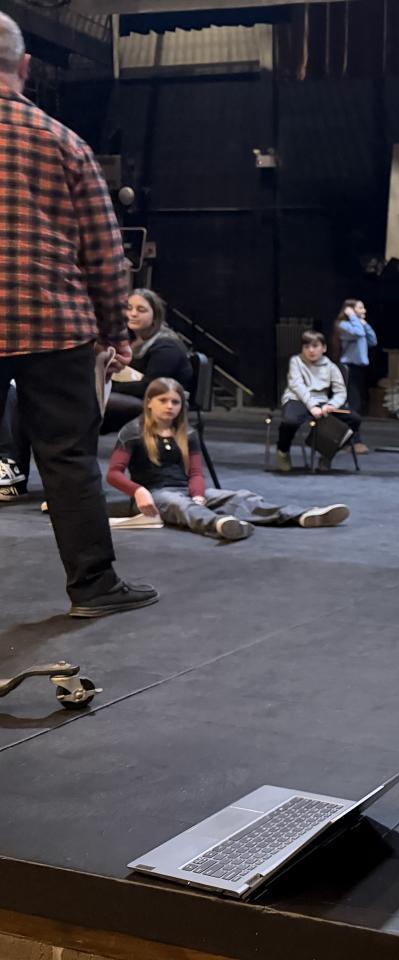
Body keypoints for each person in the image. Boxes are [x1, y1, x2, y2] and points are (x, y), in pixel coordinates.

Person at [0, 13, 157, 618]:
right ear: (26, 66)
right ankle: (93, 587)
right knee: (67, 458)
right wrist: (116, 332)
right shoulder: (63, 142)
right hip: (53, 325)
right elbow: (104, 252)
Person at [107, 378, 349, 541]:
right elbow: (114, 474)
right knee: (180, 505)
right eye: (163, 400)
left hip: (185, 489)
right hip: (155, 494)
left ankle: (301, 515)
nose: (169, 406)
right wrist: (138, 491)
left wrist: (199, 494)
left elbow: (196, 473)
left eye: (175, 402)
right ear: (149, 403)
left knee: (241, 496)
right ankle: (220, 524)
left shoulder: (187, 433)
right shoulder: (133, 431)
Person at [102, 288, 194, 434]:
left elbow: (150, 386)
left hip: (164, 401)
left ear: (155, 315)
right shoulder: (132, 339)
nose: (133, 314)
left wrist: (110, 387)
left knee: (97, 400)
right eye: (129, 308)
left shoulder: (166, 346)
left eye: (141, 310)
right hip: (139, 396)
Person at [275, 330, 361, 471]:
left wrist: (331, 405)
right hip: (297, 399)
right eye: (306, 347)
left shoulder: (331, 367)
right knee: (290, 421)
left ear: (324, 348)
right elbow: (297, 386)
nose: (311, 350)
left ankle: (327, 453)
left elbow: (341, 392)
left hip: (322, 401)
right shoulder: (296, 361)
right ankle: (283, 451)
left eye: (315, 346)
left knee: (354, 419)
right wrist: (312, 406)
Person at [335, 298, 377, 455]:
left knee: (357, 405)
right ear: (349, 310)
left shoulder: (359, 325)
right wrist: (353, 317)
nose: (364, 311)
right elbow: (358, 333)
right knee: (353, 405)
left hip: (360, 370)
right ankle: (353, 441)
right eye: (360, 308)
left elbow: (372, 341)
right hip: (349, 369)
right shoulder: (344, 326)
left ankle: (351, 439)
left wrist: (366, 325)